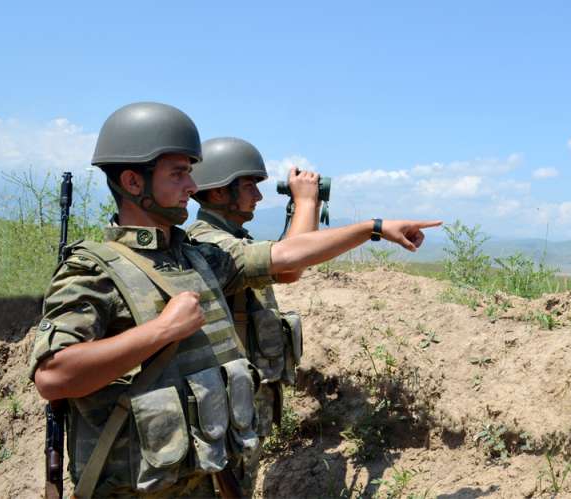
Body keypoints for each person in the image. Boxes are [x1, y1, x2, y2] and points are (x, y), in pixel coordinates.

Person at [29, 101, 440, 498]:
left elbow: (286, 257)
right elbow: (53, 376)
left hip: (206, 479)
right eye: (178, 174)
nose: (192, 187)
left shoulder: (198, 257)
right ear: (134, 182)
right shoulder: (94, 271)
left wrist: (372, 228)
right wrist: (163, 329)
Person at [186, 137, 321, 496]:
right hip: (224, 409)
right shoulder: (209, 243)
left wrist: (305, 208)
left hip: (241, 402)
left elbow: (291, 259)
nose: (258, 197)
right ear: (218, 192)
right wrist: (306, 202)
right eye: (249, 186)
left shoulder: (231, 238)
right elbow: (291, 265)